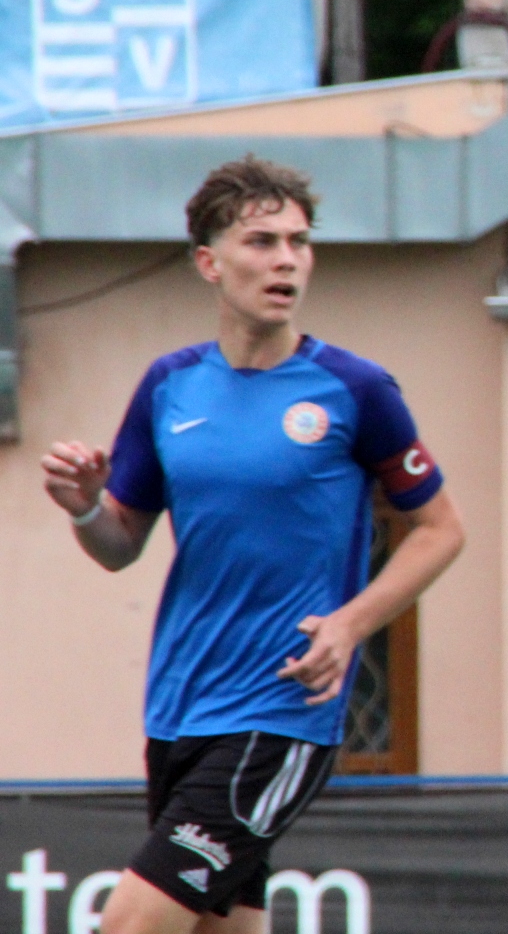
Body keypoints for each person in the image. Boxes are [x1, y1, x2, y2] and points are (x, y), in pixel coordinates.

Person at [40, 156, 465, 934]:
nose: (286, 260)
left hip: (279, 710)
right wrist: (87, 505)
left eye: (299, 242)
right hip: (179, 707)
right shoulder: (169, 385)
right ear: (210, 262)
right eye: (263, 242)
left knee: (129, 924)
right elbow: (119, 543)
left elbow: (441, 529)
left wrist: (350, 624)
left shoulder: (356, 388)